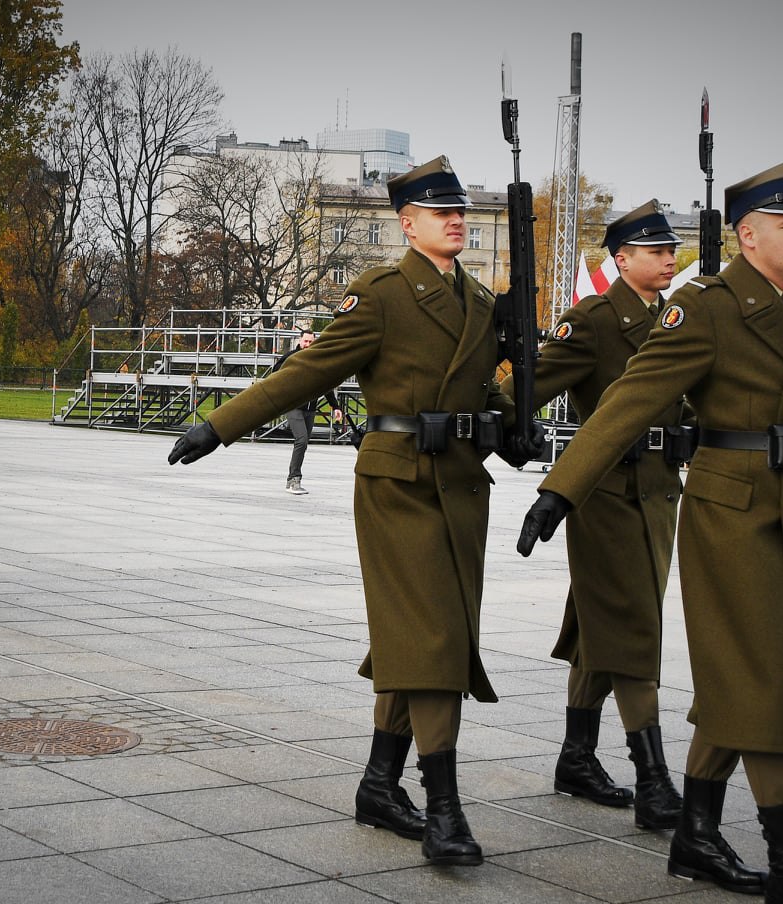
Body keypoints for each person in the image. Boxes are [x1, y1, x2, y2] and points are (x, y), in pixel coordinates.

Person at [518, 161, 783, 904]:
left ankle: (697, 834)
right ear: (749, 235)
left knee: (746, 678)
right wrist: (560, 489)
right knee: (770, 678)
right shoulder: (706, 308)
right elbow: (628, 400)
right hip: (732, 515)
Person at [170, 155, 536, 866]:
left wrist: (515, 414)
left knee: (422, 636)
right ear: (408, 223)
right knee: (433, 644)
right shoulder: (381, 295)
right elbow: (307, 371)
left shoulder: (483, 303)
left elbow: (488, 393)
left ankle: (378, 783)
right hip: (399, 487)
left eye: (462, 212)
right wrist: (219, 426)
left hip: (461, 487)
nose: (458, 221)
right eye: (442, 213)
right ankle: (444, 810)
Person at [501, 200, 689, 828]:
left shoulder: (674, 317)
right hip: (606, 496)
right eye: (656, 251)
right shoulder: (594, 320)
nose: (669, 260)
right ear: (622, 258)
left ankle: (576, 757)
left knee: (600, 627)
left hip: (660, 493)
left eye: (671, 251)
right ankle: (655, 779)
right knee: (633, 629)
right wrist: (501, 426)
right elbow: (526, 387)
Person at [274, 330, 344, 494]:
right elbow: (275, 374)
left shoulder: (317, 360)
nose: (308, 345)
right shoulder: (292, 357)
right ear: (300, 341)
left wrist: (336, 407)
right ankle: (294, 480)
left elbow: (325, 385)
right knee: (302, 440)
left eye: (311, 342)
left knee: (303, 444)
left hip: (310, 409)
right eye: (306, 341)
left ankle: (291, 478)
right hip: (293, 406)